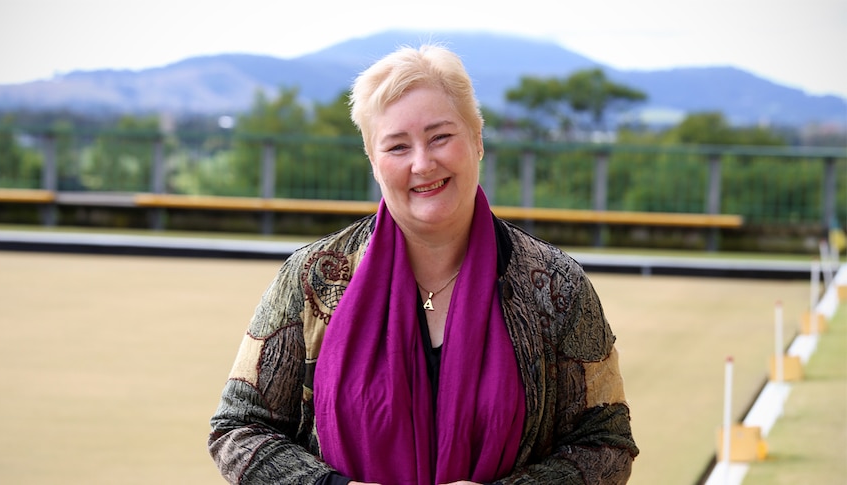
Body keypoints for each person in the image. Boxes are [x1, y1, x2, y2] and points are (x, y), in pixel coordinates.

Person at [208, 43, 639, 485]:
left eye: (440, 137)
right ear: (374, 163)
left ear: (477, 141)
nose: (422, 163)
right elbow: (238, 428)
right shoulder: (311, 276)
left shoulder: (556, 285)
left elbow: (606, 442)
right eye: (396, 147)